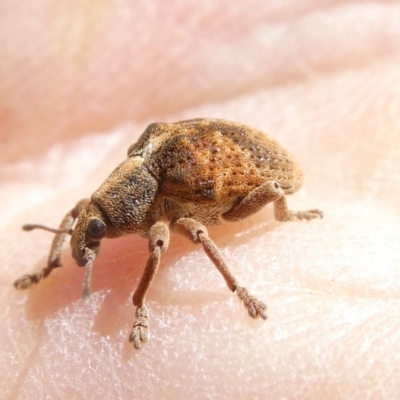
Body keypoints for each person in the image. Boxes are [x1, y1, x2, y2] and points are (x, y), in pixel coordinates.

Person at [1, 1, 399, 398]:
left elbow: (185, 236)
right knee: (85, 214)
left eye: (97, 229)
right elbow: (80, 211)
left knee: (223, 222)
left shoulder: (169, 199)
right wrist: (54, 264)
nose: (88, 233)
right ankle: (47, 268)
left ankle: (248, 268)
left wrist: (139, 307)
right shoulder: (129, 179)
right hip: (198, 150)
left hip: (262, 170)